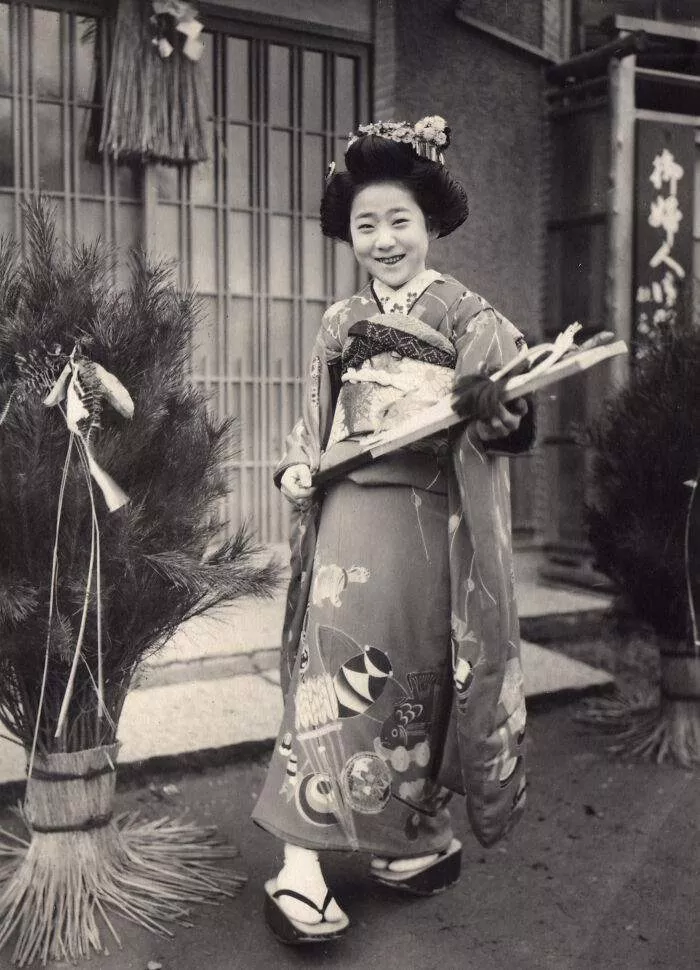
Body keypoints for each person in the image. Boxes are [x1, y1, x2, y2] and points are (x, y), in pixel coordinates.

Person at [252, 116, 533, 945]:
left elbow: (507, 421)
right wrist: (299, 467)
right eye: (366, 224)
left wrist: (501, 414)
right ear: (349, 232)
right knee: (334, 672)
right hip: (352, 521)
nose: (383, 240)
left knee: (417, 684)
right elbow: (316, 422)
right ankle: (298, 860)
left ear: (432, 224)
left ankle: (399, 837)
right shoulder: (339, 323)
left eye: (399, 221)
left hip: (431, 525)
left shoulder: (470, 316)